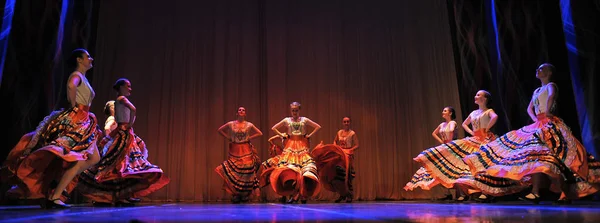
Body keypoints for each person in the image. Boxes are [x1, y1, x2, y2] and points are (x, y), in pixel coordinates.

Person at [457, 63, 600, 203]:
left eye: (542, 68)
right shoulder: (537, 91)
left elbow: (551, 97)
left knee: (559, 155)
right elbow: (529, 108)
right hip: (539, 124)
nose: (538, 70)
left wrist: (547, 112)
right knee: (536, 156)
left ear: (549, 73)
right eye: (538, 68)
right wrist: (536, 120)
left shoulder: (551, 86)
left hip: (549, 124)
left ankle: (563, 189)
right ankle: (537, 191)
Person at [1, 49, 101, 208]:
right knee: (74, 157)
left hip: (85, 119)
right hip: (78, 118)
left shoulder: (83, 77)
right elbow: (71, 85)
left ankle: (56, 191)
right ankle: (55, 195)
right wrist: (74, 106)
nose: (91, 58)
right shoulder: (76, 75)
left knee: (94, 158)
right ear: (79, 60)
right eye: (88, 56)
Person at [76, 78, 169, 206]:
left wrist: (128, 125)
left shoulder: (119, 100)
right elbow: (133, 109)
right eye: (128, 86)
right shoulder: (121, 99)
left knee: (123, 163)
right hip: (123, 132)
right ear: (121, 87)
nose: (130, 89)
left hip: (124, 132)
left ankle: (122, 194)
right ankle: (120, 195)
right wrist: (129, 124)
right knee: (120, 163)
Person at [404, 91, 498, 202]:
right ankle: (473, 191)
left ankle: (486, 192)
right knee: (468, 165)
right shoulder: (473, 113)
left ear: (485, 99)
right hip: (475, 139)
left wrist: (486, 129)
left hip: (485, 140)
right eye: (476, 94)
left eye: (478, 95)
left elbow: (495, 117)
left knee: (483, 165)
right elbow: (464, 124)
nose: (475, 96)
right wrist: (472, 132)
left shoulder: (488, 111)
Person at [261, 102, 321, 203]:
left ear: (299, 110)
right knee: (291, 168)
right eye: (293, 110)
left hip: (302, 144)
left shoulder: (304, 120)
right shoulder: (287, 120)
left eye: (296, 110)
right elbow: (274, 128)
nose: (294, 112)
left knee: (303, 168)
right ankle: (294, 193)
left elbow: (317, 126)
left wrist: (309, 135)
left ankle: (302, 194)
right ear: (291, 110)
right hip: (291, 145)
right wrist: (282, 135)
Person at [404, 107, 458, 199]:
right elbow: (434, 133)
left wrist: (450, 141)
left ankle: (459, 193)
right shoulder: (442, 124)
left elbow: (452, 130)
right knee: (441, 170)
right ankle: (447, 193)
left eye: (445, 111)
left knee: (452, 170)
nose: (442, 112)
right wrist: (442, 141)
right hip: (444, 147)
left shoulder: (452, 122)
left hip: (451, 147)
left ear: (450, 113)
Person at [215, 107, 263, 203]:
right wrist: (229, 137)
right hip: (235, 149)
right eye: (239, 110)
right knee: (235, 171)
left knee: (247, 170)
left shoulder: (249, 125)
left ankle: (246, 194)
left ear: (245, 114)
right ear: (237, 113)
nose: (241, 111)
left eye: (243, 110)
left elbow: (260, 133)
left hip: (245, 148)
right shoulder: (231, 124)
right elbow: (220, 130)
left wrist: (250, 137)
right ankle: (237, 194)